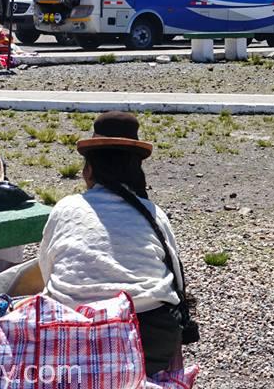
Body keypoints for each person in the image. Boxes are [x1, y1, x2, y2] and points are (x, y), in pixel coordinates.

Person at [37, 111, 189, 376]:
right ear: (135, 170)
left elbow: (47, 271)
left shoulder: (67, 208)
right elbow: (176, 276)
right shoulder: (151, 212)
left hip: (72, 339)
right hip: (149, 341)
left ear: (89, 169)